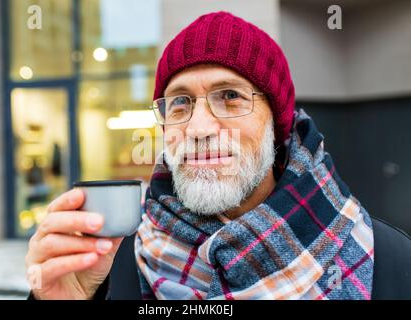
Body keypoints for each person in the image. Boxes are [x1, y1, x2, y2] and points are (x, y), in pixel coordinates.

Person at [25, 11, 411, 300]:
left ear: (276, 126)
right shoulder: (114, 259)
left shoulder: (388, 262)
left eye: (230, 97)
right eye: (180, 102)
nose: (198, 129)